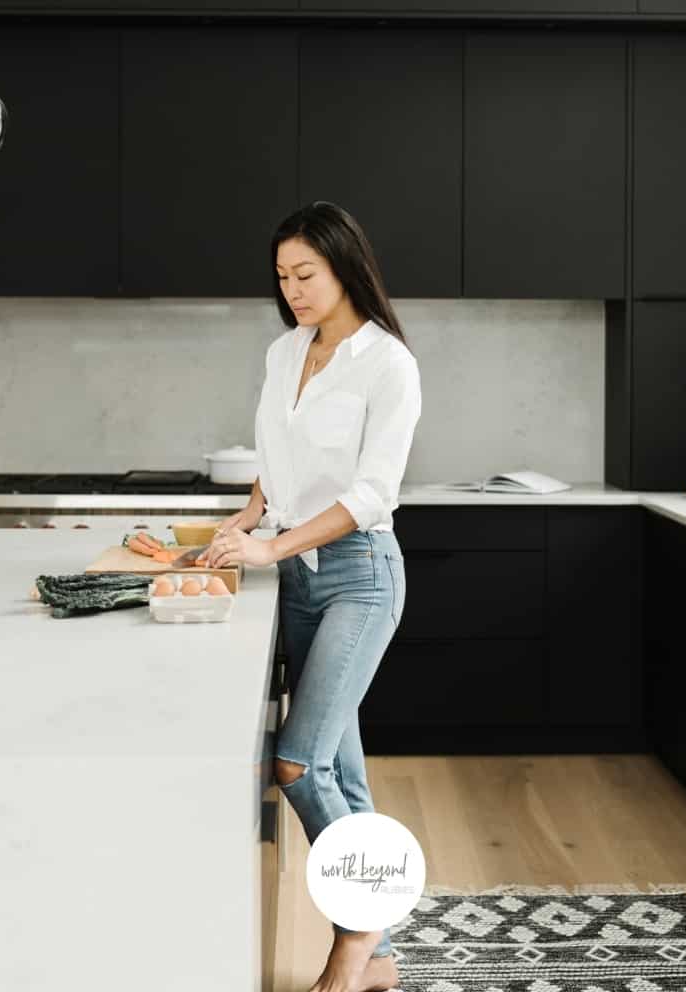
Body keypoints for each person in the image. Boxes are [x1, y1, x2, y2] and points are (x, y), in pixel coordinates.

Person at [196, 201, 421, 992]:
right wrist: (247, 518)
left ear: (345, 267)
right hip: (299, 582)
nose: (291, 289)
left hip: (361, 574)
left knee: (297, 763)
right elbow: (278, 453)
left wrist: (272, 544)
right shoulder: (284, 352)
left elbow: (370, 494)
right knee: (342, 775)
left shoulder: (387, 363)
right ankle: (382, 957)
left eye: (306, 274)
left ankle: (355, 938)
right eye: (282, 276)